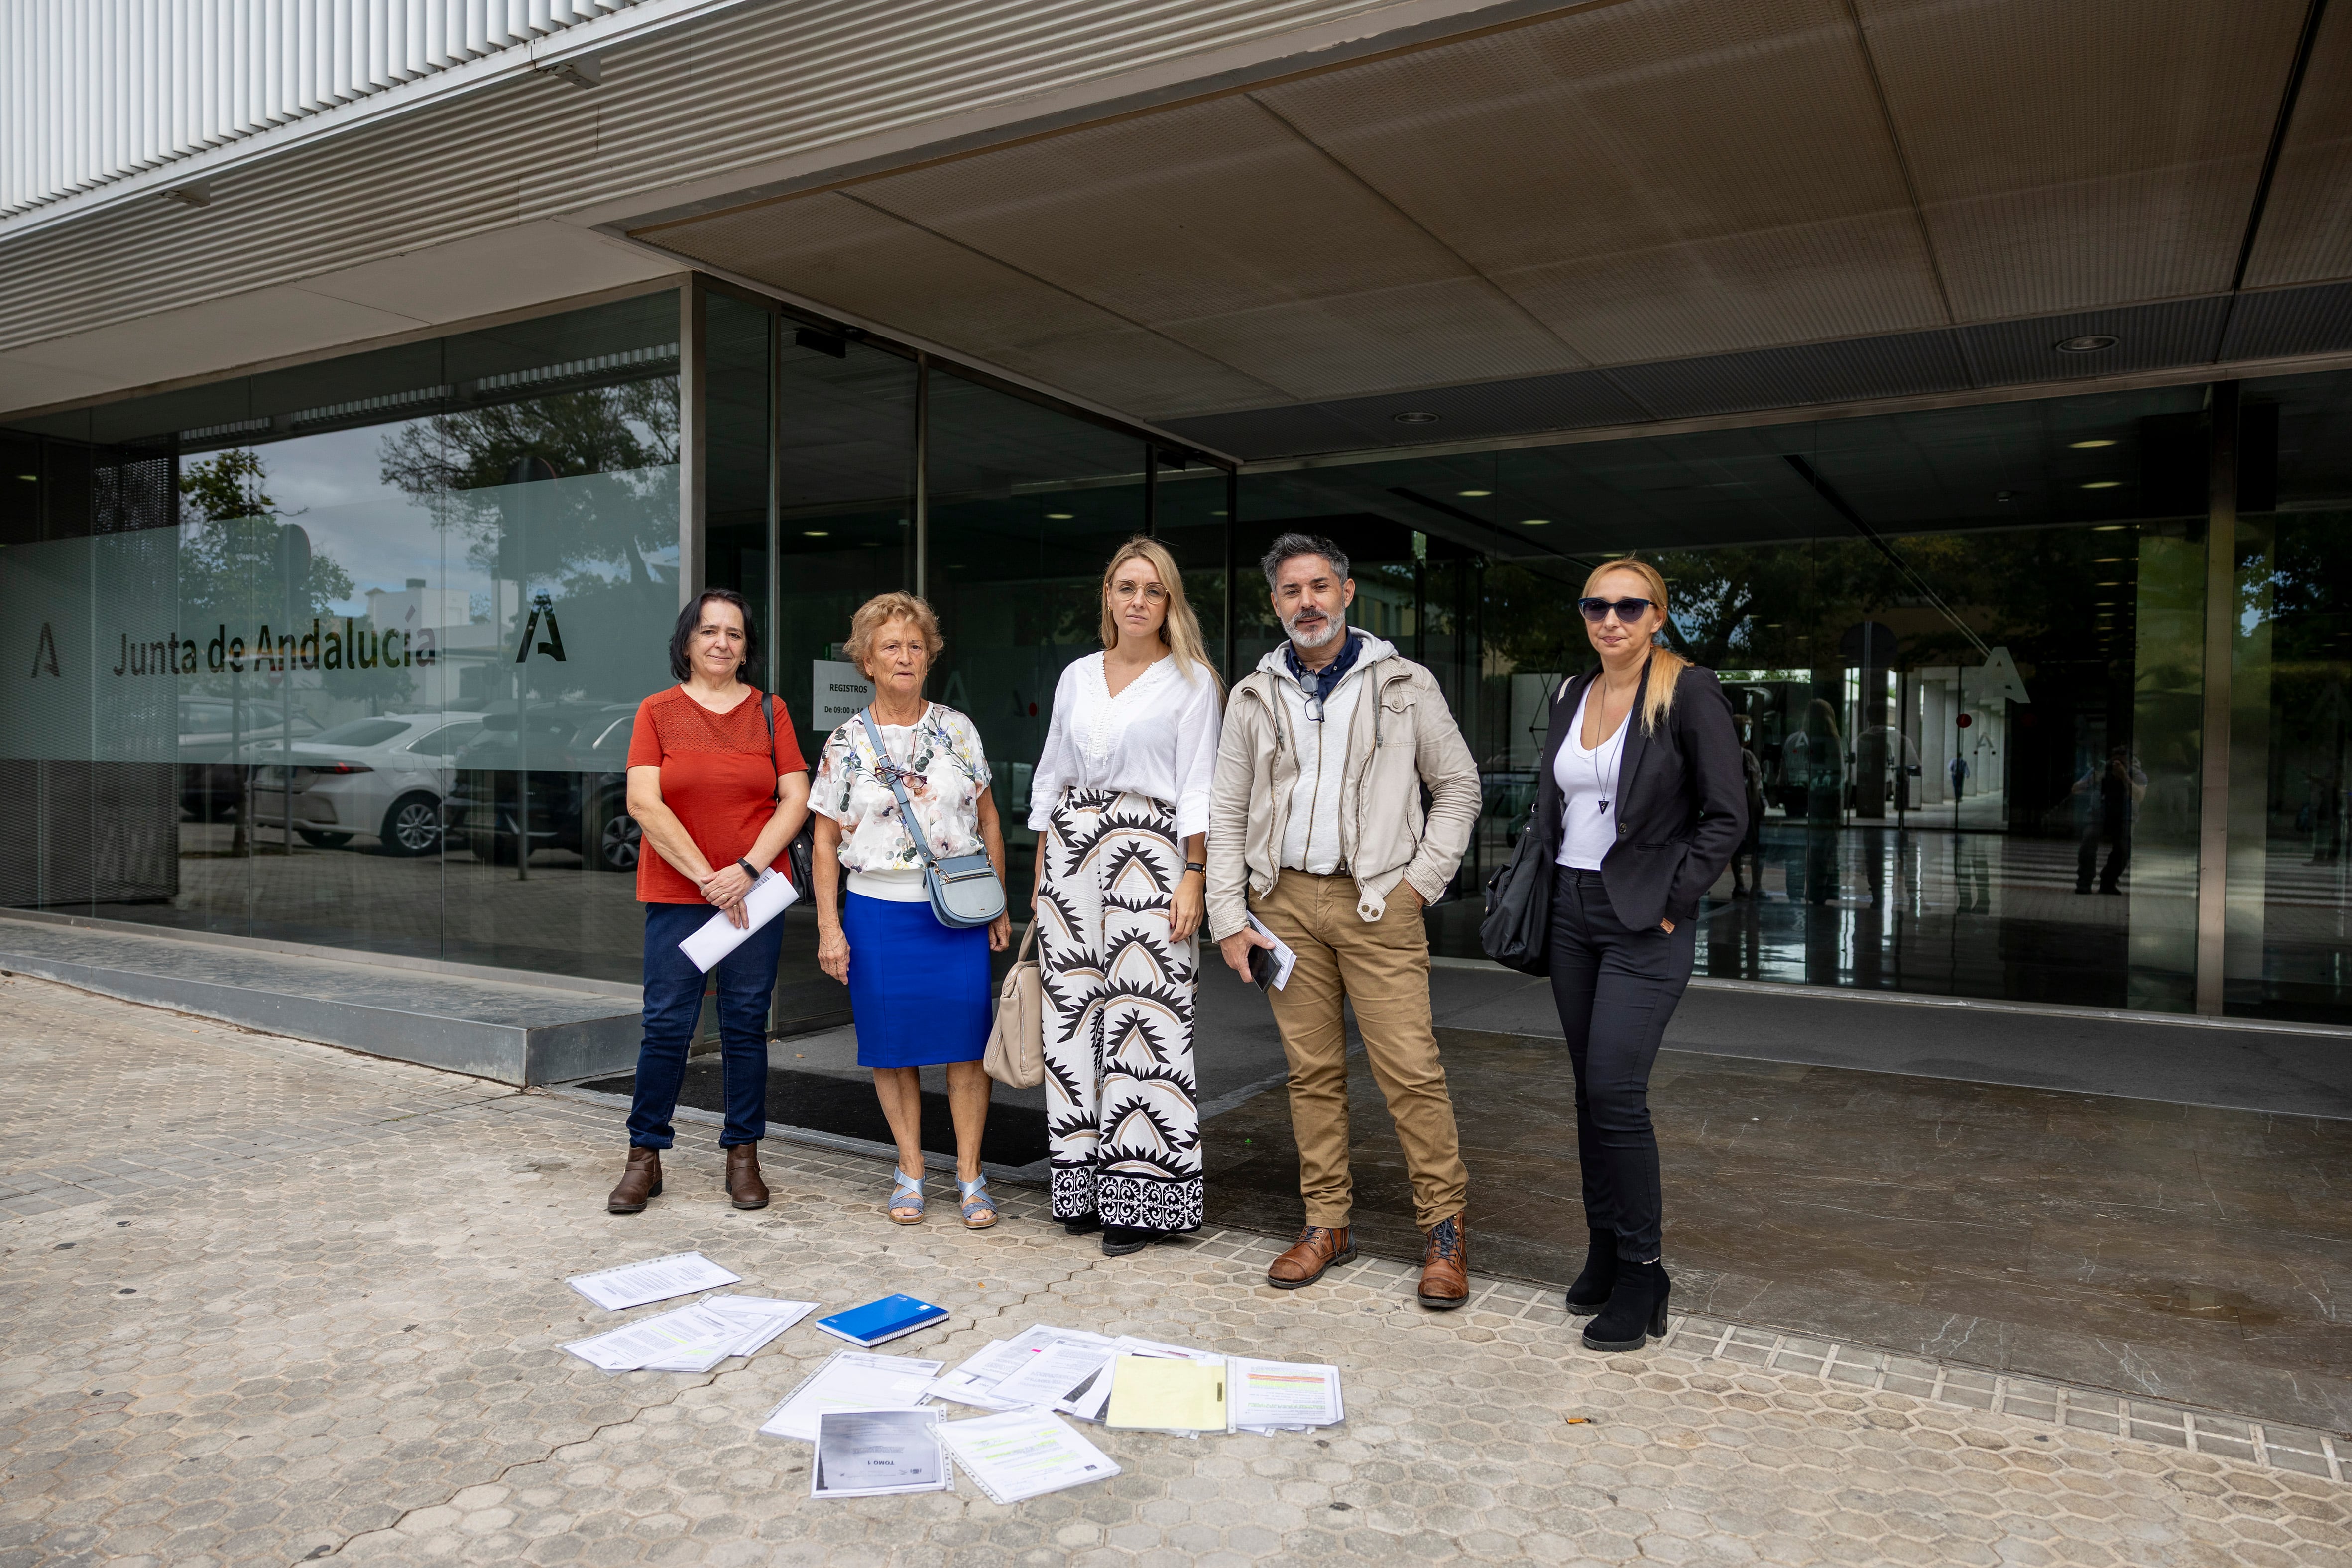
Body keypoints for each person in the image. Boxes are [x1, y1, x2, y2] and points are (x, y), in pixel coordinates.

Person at [1207, 532, 1482, 1310]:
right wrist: (1231, 914)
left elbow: (1458, 786)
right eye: (1292, 591)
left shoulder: (1403, 682)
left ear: (1349, 591)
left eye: (1320, 586)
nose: (1308, 603)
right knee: (1312, 1074)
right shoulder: (1254, 693)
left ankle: (1445, 1233)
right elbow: (1227, 810)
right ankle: (1327, 1224)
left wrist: (1420, 884)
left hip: (1378, 903)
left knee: (1410, 1071)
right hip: (1284, 904)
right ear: (1276, 604)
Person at [1536, 559, 1745, 1351]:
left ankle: (1644, 1271)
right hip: (1571, 911)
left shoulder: (1688, 691)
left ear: (1658, 615)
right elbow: (1557, 804)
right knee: (1589, 1092)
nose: (1610, 619)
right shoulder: (1570, 692)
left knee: (1617, 1092)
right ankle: (1603, 1244)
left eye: (1629, 606)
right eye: (1596, 605)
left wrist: (1673, 900)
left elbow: (1728, 815)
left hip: (1642, 916)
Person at [1028, 537, 1223, 1255]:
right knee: (1073, 1019)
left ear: (1170, 602)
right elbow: (1052, 771)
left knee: (1148, 1021)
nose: (1137, 600)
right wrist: (1043, 871)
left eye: (1152, 589)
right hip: (1073, 850)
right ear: (1107, 595)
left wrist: (1195, 874)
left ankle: (1142, 1196)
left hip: (1152, 851)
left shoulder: (1194, 680)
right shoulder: (1079, 674)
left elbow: (1200, 783)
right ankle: (1082, 1182)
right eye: (1125, 587)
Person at [810, 593, 1012, 1230]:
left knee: (966, 1050)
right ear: (866, 661)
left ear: (930, 657)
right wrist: (828, 927)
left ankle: (972, 1174)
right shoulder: (844, 742)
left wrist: (998, 901)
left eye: (915, 646)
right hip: (875, 914)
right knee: (891, 1050)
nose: (905, 656)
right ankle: (910, 1169)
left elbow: (988, 819)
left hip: (954, 915)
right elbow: (822, 840)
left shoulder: (957, 729)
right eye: (890, 646)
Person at [609, 589, 811, 1216]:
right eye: (709, 631)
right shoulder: (657, 712)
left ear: (747, 649)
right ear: (687, 642)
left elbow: (795, 799)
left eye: (734, 633)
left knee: (746, 1027)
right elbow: (644, 803)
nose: (721, 642)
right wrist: (708, 878)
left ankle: (743, 1155)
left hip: (756, 896)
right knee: (666, 1026)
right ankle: (645, 1155)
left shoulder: (770, 713)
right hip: (679, 895)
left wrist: (746, 871)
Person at [2073, 746, 2146, 895]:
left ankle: (2108, 882)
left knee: (2123, 850)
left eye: (2123, 759)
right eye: (2115, 758)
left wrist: (2125, 776)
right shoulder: (2101, 770)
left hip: (2124, 817)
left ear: (2130, 762)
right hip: (2098, 815)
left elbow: (2139, 796)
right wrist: (2094, 779)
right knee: (2088, 844)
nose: (2118, 763)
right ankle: (2084, 882)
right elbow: (2075, 790)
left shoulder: (2137, 774)